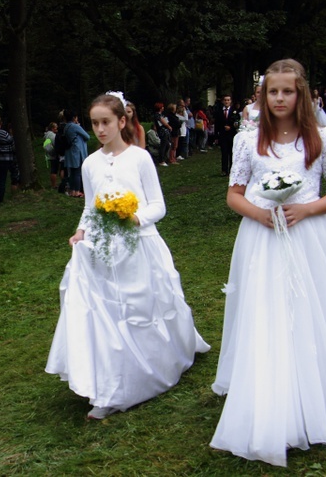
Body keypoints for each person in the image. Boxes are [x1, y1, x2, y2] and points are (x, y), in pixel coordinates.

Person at [211, 59, 326, 467]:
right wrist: (259, 213)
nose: (279, 98)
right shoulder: (248, 140)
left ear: (302, 95)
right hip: (262, 237)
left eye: (287, 91)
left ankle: (323, 386)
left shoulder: (323, 138)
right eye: (272, 91)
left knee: (314, 306)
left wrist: (307, 209)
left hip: (311, 235)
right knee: (268, 309)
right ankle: (270, 387)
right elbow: (235, 194)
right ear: (264, 96)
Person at [45, 93, 210, 420]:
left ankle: (158, 359)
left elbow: (158, 205)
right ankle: (112, 383)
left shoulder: (140, 158)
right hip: (106, 248)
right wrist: (81, 231)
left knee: (142, 310)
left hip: (139, 244)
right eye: (95, 123)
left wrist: (135, 218)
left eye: (106, 122)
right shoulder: (90, 163)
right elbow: (90, 207)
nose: (100, 129)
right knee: (109, 314)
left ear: (122, 121)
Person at [62, 110, 90, 198]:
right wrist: (78, 125)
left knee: (73, 173)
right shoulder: (74, 126)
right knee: (78, 172)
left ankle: (72, 191)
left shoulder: (66, 127)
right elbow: (87, 136)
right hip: (77, 151)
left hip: (70, 151)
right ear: (74, 117)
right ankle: (77, 191)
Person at [214, 95, 238, 176]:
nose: (227, 102)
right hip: (223, 135)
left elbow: (237, 123)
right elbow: (216, 124)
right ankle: (224, 170)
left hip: (231, 135)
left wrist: (231, 127)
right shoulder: (219, 111)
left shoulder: (234, 111)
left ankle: (232, 169)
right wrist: (216, 136)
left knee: (232, 153)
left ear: (230, 101)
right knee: (224, 153)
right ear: (223, 101)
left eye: (228, 100)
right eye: (225, 100)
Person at [42, 122, 59, 189]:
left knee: (53, 169)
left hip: (49, 154)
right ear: (52, 128)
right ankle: (54, 185)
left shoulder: (47, 135)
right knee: (54, 170)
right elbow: (55, 143)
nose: (57, 128)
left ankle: (53, 184)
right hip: (53, 154)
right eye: (55, 127)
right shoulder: (52, 135)